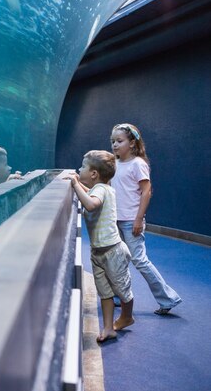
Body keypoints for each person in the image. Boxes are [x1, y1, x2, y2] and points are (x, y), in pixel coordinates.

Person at [110, 123, 182, 315]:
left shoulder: (138, 164)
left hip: (130, 221)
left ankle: (168, 299)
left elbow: (146, 191)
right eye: (113, 141)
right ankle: (120, 296)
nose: (115, 145)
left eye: (119, 141)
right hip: (115, 220)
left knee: (140, 261)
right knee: (119, 260)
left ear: (132, 143)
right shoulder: (114, 163)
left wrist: (138, 219)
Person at [68, 150, 135, 343]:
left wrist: (74, 183)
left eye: (82, 167)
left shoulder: (101, 190)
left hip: (113, 251)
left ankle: (127, 316)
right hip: (98, 252)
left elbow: (90, 204)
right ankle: (108, 327)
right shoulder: (101, 188)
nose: (79, 170)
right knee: (105, 292)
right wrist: (78, 183)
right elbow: (88, 194)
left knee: (122, 289)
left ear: (94, 174)